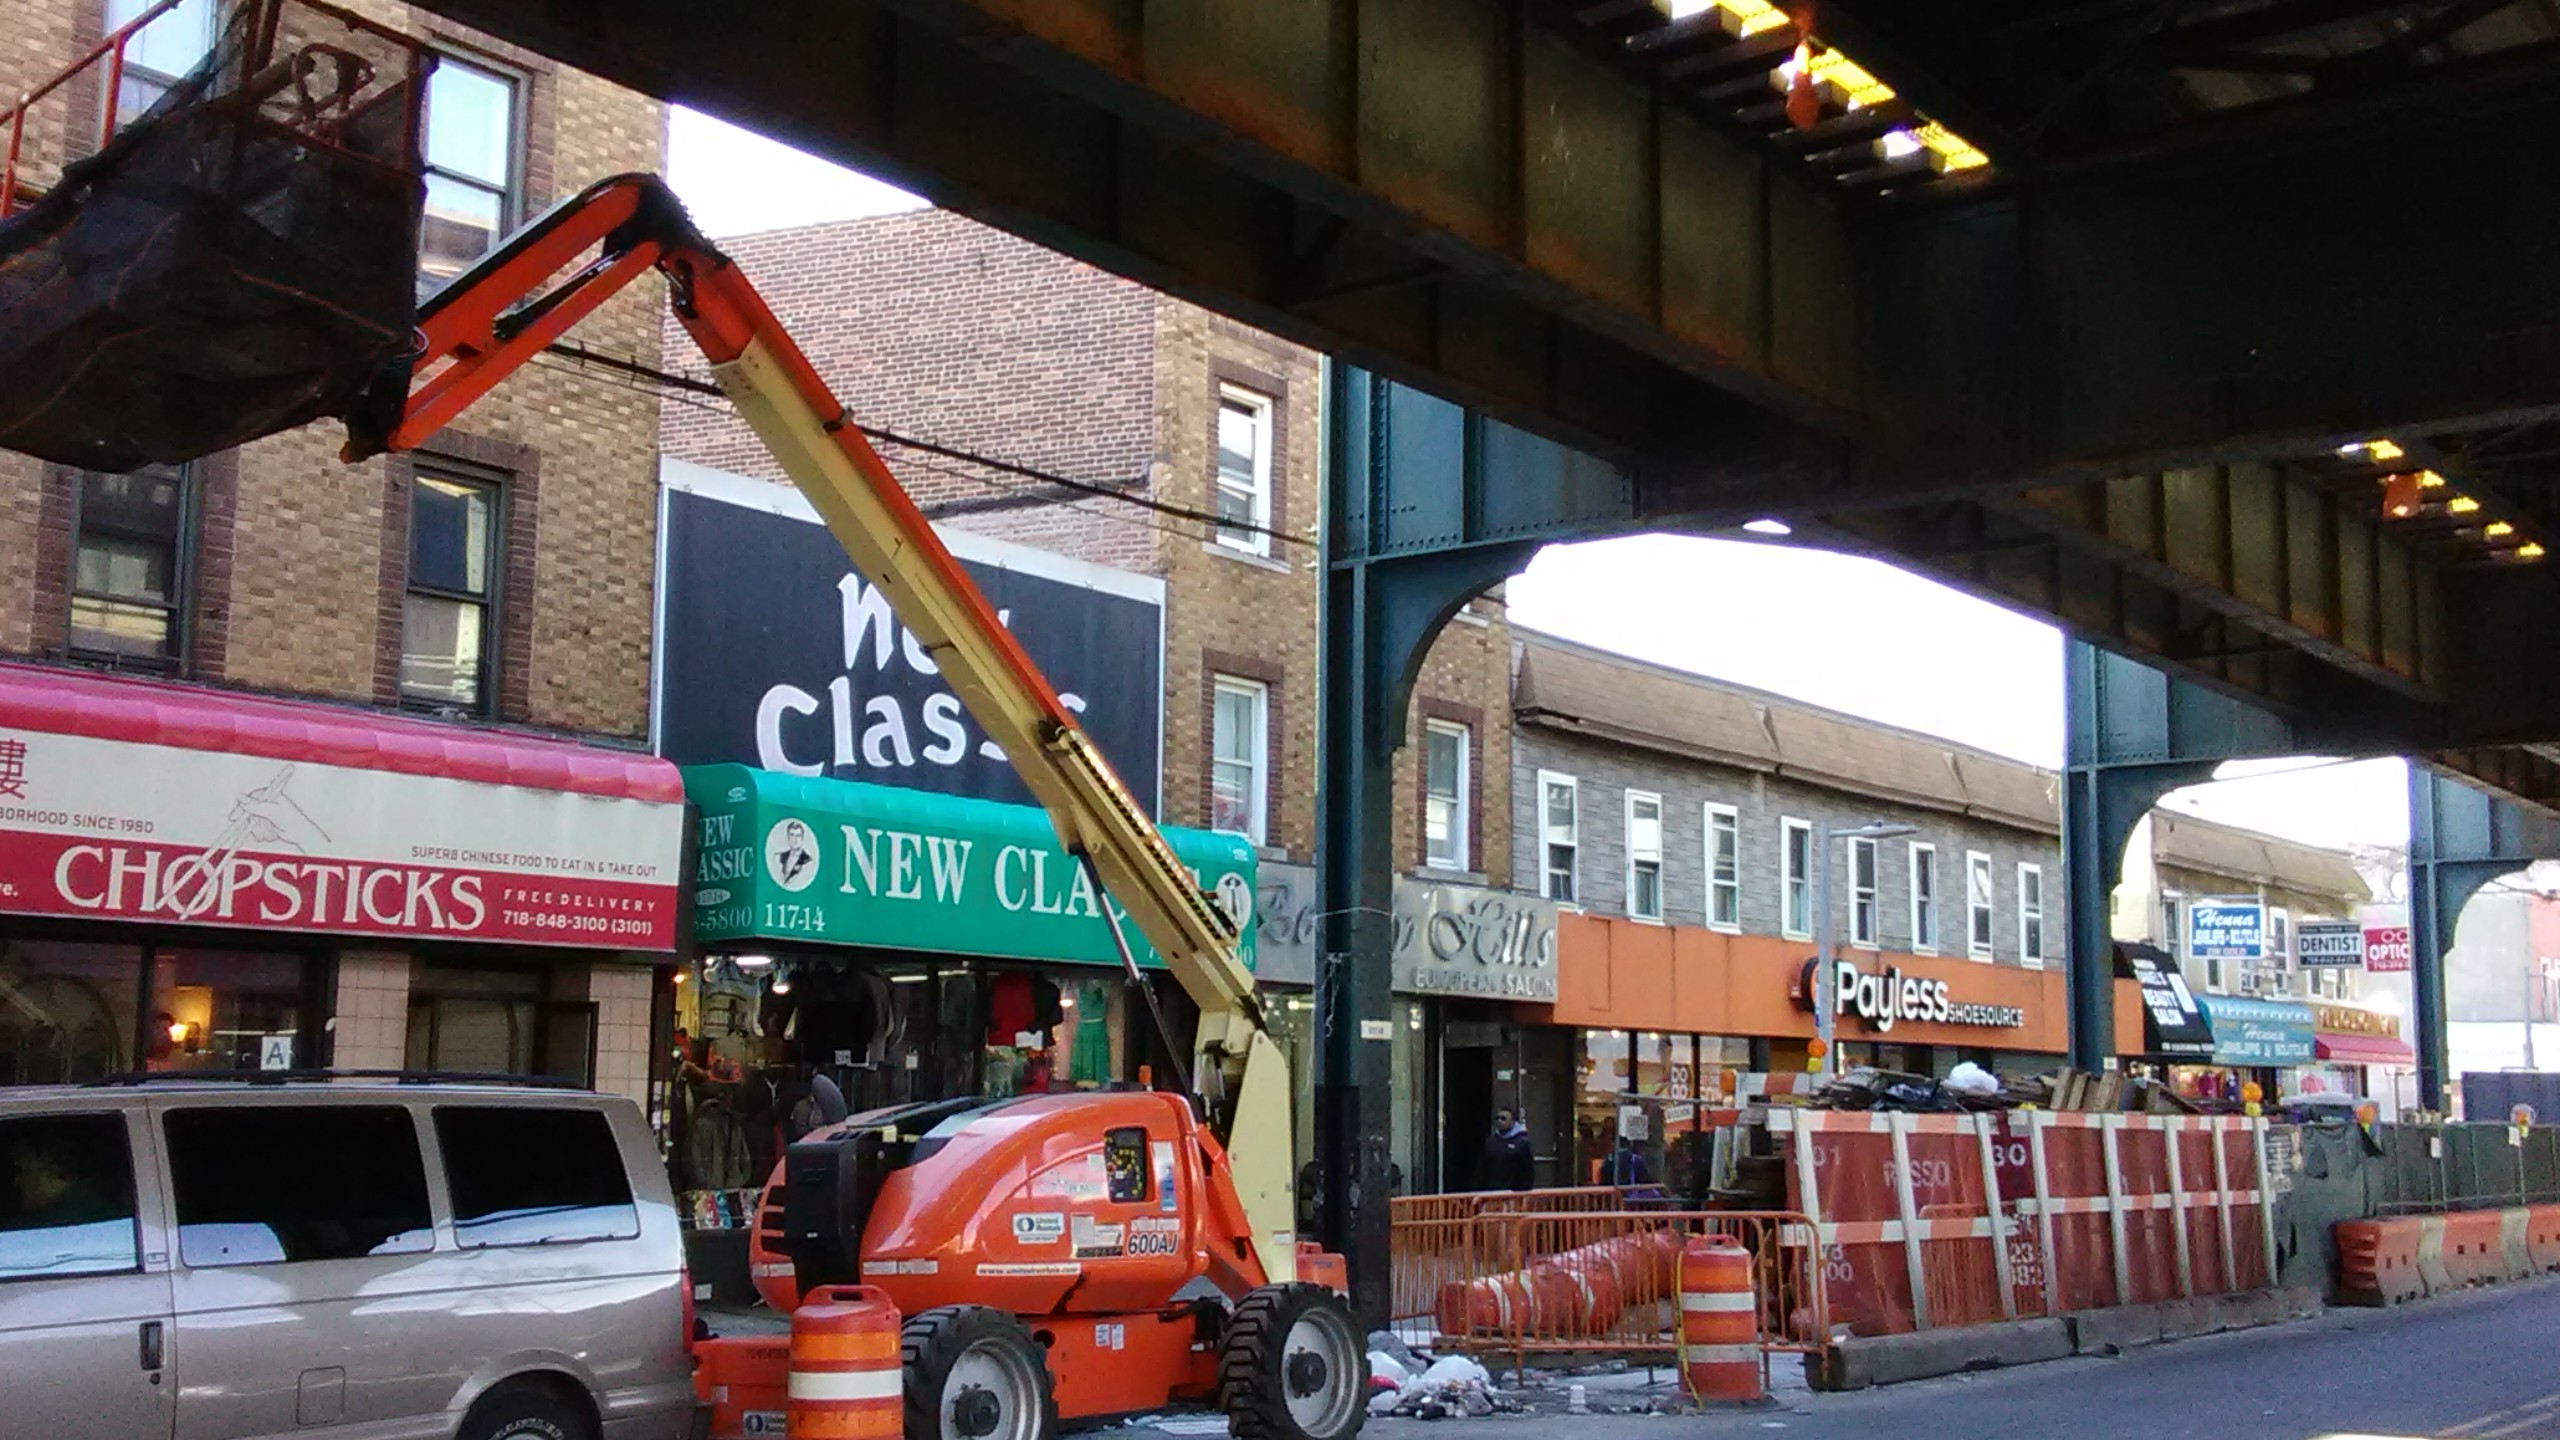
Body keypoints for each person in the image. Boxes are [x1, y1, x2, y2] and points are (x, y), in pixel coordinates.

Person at [1482, 1109, 1534, 1191]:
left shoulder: (1522, 1142)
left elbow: (1528, 1171)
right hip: (1492, 1191)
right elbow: (1483, 1167)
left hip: (1514, 1192)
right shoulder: (1491, 1142)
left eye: (1503, 1118)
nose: (1499, 1121)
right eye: (1497, 1118)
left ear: (1513, 1121)